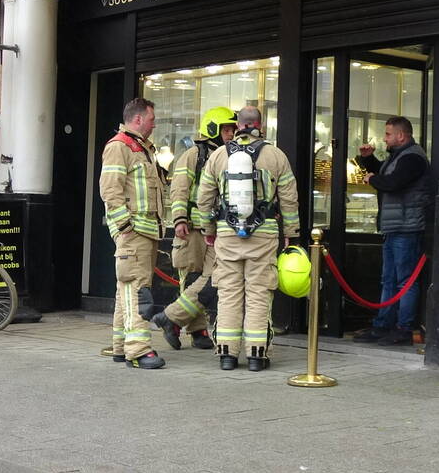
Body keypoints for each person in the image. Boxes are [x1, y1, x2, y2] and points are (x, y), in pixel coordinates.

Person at [196, 106, 300, 372]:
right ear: (260, 125)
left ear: (238, 125)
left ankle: (227, 355)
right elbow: (289, 199)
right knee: (258, 293)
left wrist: (208, 230)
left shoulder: (219, 155)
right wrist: (291, 234)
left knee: (229, 293)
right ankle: (257, 355)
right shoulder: (276, 156)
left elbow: (204, 198)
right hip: (264, 233)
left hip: (228, 233)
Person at [150, 107, 237, 351]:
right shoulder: (192, 155)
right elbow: (179, 190)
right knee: (192, 279)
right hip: (192, 230)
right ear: (212, 130)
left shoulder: (231, 156)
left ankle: (171, 319)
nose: (230, 134)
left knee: (214, 280)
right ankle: (197, 330)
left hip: (218, 230)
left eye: (232, 129)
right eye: (226, 129)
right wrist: (179, 219)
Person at [99, 97, 167, 370]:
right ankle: (138, 351)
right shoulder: (120, 146)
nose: (154, 123)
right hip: (135, 232)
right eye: (152, 118)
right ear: (138, 119)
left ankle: (120, 346)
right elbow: (110, 190)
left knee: (126, 289)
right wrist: (125, 227)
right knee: (137, 291)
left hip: (144, 232)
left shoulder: (140, 148)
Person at [352, 116, 432, 346]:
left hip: (407, 227)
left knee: (404, 281)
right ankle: (383, 325)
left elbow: (393, 183)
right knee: (389, 280)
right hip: (394, 226)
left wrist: (374, 179)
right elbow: (387, 177)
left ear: (401, 135)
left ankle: (404, 328)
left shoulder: (413, 158)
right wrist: (368, 161)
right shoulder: (399, 157)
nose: (384, 138)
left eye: (388, 134)